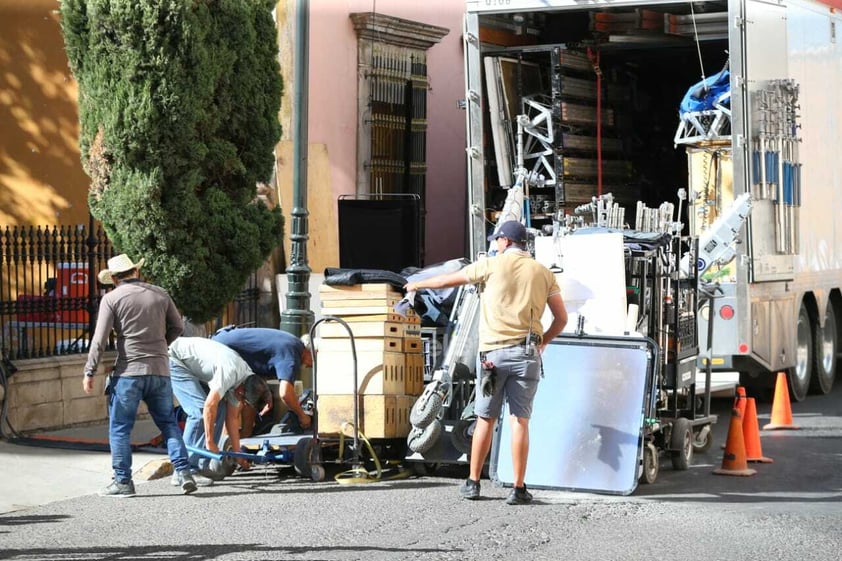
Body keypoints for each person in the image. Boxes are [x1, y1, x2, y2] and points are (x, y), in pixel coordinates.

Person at [404, 220, 567, 505]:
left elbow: (446, 281)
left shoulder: (490, 266)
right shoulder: (544, 273)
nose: (495, 244)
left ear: (505, 241)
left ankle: (473, 482)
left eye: (497, 240)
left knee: (485, 419)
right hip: (526, 357)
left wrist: (416, 283)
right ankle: (518, 488)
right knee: (520, 422)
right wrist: (544, 342)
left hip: (492, 359)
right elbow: (561, 319)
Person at [82, 253, 197, 497]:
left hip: (128, 373)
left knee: (120, 428)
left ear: (113, 278)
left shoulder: (111, 299)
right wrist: (160, 346)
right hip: (160, 371)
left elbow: (99, 340)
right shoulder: (160, 294)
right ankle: (184, 472)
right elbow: (178, 326)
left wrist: (89, 371)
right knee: (168, 423)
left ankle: (123, 482)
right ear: (136, 271)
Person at [168, 337, 272, 483]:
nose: (241, 403)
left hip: (197, 369)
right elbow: (209, 406)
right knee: (198, 412)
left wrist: (238, 454)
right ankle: (184, 470)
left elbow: (232, 418)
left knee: (221, 408)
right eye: (243, 400)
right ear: (242, 391)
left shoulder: (246, 379)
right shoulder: (230, 373)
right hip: (177, 361)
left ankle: (201, 466)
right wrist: (210, 440)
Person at [211, 327, 313, 436]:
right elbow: (285, 393)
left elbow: (260, 358)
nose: (309, 366)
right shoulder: (292, 354)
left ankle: (240, 437)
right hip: (222, 351)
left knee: (251, 389)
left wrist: (266, 391)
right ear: (311, 352)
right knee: (237, 400)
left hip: (222, 343)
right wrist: (302, 416)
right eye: (314, 361)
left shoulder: (293, 343)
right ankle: (230, 442)